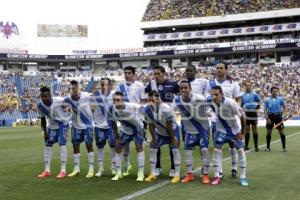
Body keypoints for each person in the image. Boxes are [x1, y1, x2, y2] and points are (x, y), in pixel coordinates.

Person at [206, 62, 241, 178]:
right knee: (218, 146)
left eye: (221, 68)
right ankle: (219, 170)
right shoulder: (210, 84)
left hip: (230, 120)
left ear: (226, 70)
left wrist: (235, 114)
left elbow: (238, 100)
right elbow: (208, 99)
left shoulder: (233, 83)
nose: (219, 70)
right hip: (216, 120)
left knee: (232, 145)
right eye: (217, 68)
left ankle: (234, 167)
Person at [209, 86, 248, 186]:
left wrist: (243, 133)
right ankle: (217, 175)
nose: (214, 96)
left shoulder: (230, 103)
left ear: (222, 94)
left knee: (240, 150)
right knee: (217, 150)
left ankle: (243, 176)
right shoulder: (209, 101)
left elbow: (243, 116)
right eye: (212, 94)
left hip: (234, 130)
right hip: (220, 130)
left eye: (216, 94)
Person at [173, 81, 210, 184]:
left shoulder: (200, 99)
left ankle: (205, 175)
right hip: (189, 131)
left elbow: (210, 105)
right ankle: (189, 175)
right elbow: (170, 111)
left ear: (190, 89)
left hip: (202, 129)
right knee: (187, 151)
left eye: (186, 88)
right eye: (181, 88)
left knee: (204, 150)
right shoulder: (177, 100)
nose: (184, 90)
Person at [145, 65, 179, 177]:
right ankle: (157, 167)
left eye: (158, 73)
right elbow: (147, 96)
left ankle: (174, 169)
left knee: (172, 145)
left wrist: (174, 107)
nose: (156, 76)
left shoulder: (173, 84)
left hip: (168, 115)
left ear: (164, 73)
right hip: (156, 116)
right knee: (156, 145)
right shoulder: (151, 84)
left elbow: (178, 97)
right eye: (154, 74)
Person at [144, 91, 181, 184]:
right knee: (153, 149)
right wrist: (153, 138)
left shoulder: (166, 109)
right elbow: (150, 124)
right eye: (148, 100)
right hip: (159, 132)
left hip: (172, 131)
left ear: (158, 99)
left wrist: (173, 139)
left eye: (152, 100)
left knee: (175, 150)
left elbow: (169, 125)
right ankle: (153, 173)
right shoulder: (147, 109)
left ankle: (177, 174)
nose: (150, 102)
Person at [115, 66, 145, 176]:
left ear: (133, 75)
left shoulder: (140, 85)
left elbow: (143, 101)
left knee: (138, 146)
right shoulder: (119, 86)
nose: (127, 75)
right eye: (125, 73)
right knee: (124, 146)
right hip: (124, 120)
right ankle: (127, 165)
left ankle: (140, 172)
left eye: (129, 73)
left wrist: (140, 112)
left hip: (136, 120)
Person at [109, 91, 145, 182]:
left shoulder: (132, 106)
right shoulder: (111, 109)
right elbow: (113, 122)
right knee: (118, 147)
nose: (116, 102)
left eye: (118, 100)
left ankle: (140, 172)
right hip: (125, 131)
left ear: (123, 100)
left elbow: (145, 109)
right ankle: (119, 173)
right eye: (114, 100)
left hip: (138, 129)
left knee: (139, 147)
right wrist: (117, 137)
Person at [64, 80, 95, 178]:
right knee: (75, 147)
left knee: (89, 146)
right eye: (71, 88)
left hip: (87, 126)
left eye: (74, 88)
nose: (73, 90)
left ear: (78, 89)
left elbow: (95, 95)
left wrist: (93, 107)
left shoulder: (85, 95)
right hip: (76, 126)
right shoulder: (68, 99)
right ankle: (76, 169)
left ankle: (91, 169)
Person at [37, 86, 69, 178]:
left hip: (63, 124)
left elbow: (70, 104)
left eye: (45, 96)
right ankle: (47, 170)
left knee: (62, 144)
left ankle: (63, 170)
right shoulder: (40, 105)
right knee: (47, 145)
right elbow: (42, 119)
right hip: (51, 126)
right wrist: (45, 132)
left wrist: (67, 109)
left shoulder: (59, 100)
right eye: (42, 97)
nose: (43, 99)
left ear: (50, 95)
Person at [92, 78, 116, 177]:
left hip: (110, 125)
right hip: (98, 125)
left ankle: (113, 168)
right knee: (100, 147)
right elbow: (92, 109)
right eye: (102, 85)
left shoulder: (114, 95)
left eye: (106, 85)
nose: (103, 87)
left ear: (110, 86)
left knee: (112, 147)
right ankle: (100, 169)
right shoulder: (96, 95)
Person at [264, 86, 287, 152]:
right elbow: (265, 110)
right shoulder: (267, 100)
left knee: (281, 132)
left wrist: (285, 114)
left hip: (278, 117)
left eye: (276, 91)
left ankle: (284, 147)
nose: (275, 92)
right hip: (270, 116)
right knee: (269, 133)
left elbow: (285, 107)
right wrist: (267, 118)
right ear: (271, 92)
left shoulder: (280, 99)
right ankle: (268, 148)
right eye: (274, 91)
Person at [241, 80, 261, 151]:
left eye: (249, 85)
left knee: (254, 129)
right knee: (246, 130)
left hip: (253, 113)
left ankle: (256, 146)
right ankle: (246, 146)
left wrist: (257, 108)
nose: (248, 86)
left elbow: (259, 101)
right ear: (245, 86)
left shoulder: (255, 94)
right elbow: (241, 104)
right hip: (245, 113)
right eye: (247, 85)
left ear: (251, 86)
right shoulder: (242, 95)